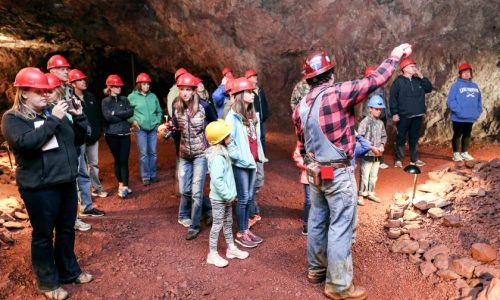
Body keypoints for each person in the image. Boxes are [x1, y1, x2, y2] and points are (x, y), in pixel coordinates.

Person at [293, 43, 411, 300]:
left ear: (309, 79)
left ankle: (316, 270)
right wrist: (394, 56)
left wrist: (312, 160)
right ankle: (338, 286)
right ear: (331, 73)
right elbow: (374, 80)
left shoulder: (301, 105)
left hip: (315, 173)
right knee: (340, 226)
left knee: (317, 221)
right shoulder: (337, 92)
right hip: (337, 173)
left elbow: (301, 144)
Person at [2, 67, 93, 299]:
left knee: (66, 229)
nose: (45, 95)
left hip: (65, 182)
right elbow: (27, 143)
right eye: (39, 91)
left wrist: (79, 116)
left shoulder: (53, 112)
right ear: (23, 93)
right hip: (40, 188)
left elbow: (78, 140)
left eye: (47, 91)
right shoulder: (13, 118)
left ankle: (69, 271)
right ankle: (47, 282)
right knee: (43, 235)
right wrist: (54, 119)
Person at [47, 55, 93, 231]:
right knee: (65, 181)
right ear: (52, 71)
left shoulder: (66, 89)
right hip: (58, 139)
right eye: (61, 69)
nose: (66, 71)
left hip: (73, 136)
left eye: (67, 68)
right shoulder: (48, 90)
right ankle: (66, 220)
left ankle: (74, 216)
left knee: (78, 175)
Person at [225, 77, 267, 248]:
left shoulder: (252, 114)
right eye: (249, 92)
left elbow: (255, 139)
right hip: (242, 163)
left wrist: (258, 157)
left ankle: (246, 230)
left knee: (248, 197)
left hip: (252, 162)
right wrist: (240, 158)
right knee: (243, 199)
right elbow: (229, 142)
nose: (252, 94)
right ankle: (241, 232)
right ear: (240, 95)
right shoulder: (232, 117)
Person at [170, 73, 211, 240]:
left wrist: (211, 144)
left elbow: (215, 124)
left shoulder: (204, 106)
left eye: (188, 89)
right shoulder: (176, 105)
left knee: (196, 191)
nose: (185, 92)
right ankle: (208, 210)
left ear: (194, 90)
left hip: (201, 153)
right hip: (184, 154)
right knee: (184, 190)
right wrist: (170, 129)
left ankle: (194, 226)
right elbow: (175, 125)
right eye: (182, 89)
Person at [204, 119, 249, 267]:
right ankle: (212, 254)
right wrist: (229, 195)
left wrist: (230, 195)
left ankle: (231, 248)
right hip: (219, 199)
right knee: (217, 224)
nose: (231, 137)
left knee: (228, 222)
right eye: (228, 135)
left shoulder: (223, 152)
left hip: (226, 197)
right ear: (221, 139)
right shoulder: (217, 158)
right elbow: (217, 181)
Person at [69, 69, 107, 218]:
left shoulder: (90, 96)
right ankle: (84, 202)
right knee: (81, 170)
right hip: (79, 139)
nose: (84, 82)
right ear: (73, 84)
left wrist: (98, 131)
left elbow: (97, 115)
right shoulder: (70, 99)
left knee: (94, 164)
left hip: (92, 138)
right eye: (80, 80)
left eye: (84, 79)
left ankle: (97, 188)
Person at [389, 58, 433, 168]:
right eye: (412, 67)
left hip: (417, 114)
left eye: (414, 66)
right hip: (404, 115)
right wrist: (395, 113)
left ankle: (414, 159)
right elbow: (393, 98)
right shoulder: (398, 82)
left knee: (414, 138)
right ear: (404, 69)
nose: (415, 68)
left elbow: (429, 88)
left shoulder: (418, 81)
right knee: (401, 137)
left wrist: (421, 76)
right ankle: (399, 159)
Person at [101, 74, 134, 198]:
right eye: (116, 86)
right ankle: (121, 184)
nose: (119, 88)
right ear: (110, 87)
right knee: (118, 160)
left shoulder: (125, 99)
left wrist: (116, 113)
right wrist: (122, 115)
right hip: (112, 135)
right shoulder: (105, 101)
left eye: (120, 86)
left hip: (125, 133)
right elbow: (108, 117)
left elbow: (130, 112)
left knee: (124, 160)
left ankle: (125, 186)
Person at [128, 72, 163, 185]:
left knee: (153, 152)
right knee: (143, 153)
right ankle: (145, 176)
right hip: (140, 129)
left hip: (152, 128)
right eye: (144, 84)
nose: (146, 86)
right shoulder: (132, 97)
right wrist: (133, 121)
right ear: (139, 85)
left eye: (148, 84)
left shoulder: (153, 96)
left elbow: (159, 111)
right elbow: (128, 112)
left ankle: (153, 175)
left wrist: (157, 122)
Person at [245, 69, 269, 226]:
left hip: (259, 123)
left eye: (255, 76)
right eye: (253, 76)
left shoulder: (260, 92)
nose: (255, 78)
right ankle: (250, 213)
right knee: (250, 183)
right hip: (247, 154)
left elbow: (265, 105)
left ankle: (251, 209)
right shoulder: (237, 115)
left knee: (257, 178)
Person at [447, 63, 483, 162]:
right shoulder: (455, 86)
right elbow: (451, 101)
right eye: (464, 72)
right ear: (460, 74)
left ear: (471, 74)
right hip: (459, 116)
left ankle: (464, 152)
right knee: (458, 134)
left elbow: (479, 100)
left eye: (468, 72)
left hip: (471, 116)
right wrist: (459, 111)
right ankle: (456, 154)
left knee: (467, 134)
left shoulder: (475, 85)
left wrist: (478, 111)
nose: (466, 74)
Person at [357, 95, 387, 204]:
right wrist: (370, 147)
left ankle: (371, 192)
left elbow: (384, 136)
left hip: (377, 154)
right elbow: (359, 137)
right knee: (365, 174)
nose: (378, 111)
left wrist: (382, 145)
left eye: (380, 109)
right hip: (367, 154)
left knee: (374, 175)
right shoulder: (365, 122)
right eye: (376, 109)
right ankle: (361, 194)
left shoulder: (380, 123)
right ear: (370, 108)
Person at [360, 66, 390, 169]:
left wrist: (387, 114)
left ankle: (378, 159)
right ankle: (370, 159)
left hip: (381, 115)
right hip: (370, 115)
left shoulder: (380, 86)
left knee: (379, 137)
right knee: (370, 137)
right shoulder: (367, 87)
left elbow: (384, 100)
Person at [292, 145, 310, 235]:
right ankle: (306, 224)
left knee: (325, 199)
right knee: (309, 200)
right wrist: (306, 166)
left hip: (325, 174)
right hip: (309, 174)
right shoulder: (305, 139)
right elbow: (297, 156)